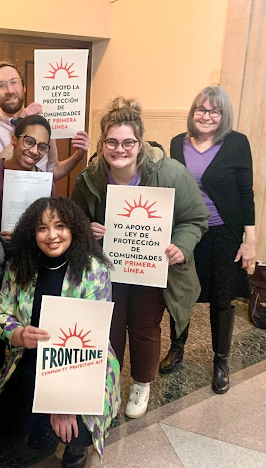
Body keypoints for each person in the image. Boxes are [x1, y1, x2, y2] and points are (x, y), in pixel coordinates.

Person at [71, 97, 209, 418]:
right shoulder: (90, 178)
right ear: (103, 142)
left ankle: (141, 384)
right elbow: (72, 221)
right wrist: (85, 232)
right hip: (110, 269)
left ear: (140, 142)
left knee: (145, 327)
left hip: (152, 268)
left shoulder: (171, 174)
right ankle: (109, 383)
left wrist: (180, 245)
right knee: (110, 327)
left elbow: (195, 219)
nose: (120, 149)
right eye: (112, 142)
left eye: (128, 142)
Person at [0, 197, 120, 468]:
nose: (52, 235)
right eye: (43, 228)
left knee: (79, 426)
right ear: (32, 233)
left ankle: (76, 444)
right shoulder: (19, 266)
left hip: (82, 364)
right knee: (1, 425)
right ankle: (41, 420)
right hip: (31, 357)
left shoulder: (94, 271)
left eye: (60, 226)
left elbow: (92, 338)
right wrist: (17, 334)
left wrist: (64, 403)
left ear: (75, 230)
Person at [158, 86, 255, 394]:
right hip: (186, 231)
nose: (207, 116)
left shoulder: (237, 144)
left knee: (222, 298)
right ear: (192, 112)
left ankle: (221, 360)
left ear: (223, 116)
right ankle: (177, 347)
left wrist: (249, 239)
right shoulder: (177, 143)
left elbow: (245, 193)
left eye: (215, 111)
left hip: (224, 232)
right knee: (180, 292)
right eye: (201, 109)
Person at [0, 114, 55, 386]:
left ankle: (21, 386)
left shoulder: (45, 182)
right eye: (28, 141)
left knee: (24, 328)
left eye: (42, 146)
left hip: (28, 267)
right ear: (14, 140)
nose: (34, 150)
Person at [0, 61, 89, 180]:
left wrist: (78, 155)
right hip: (2, 196)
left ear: (23, 87)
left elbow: (51, 172)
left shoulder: (43, 122)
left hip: (40, 195)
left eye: (14, 82)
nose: (9, 90)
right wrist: (23, 121)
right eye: (1, 85)